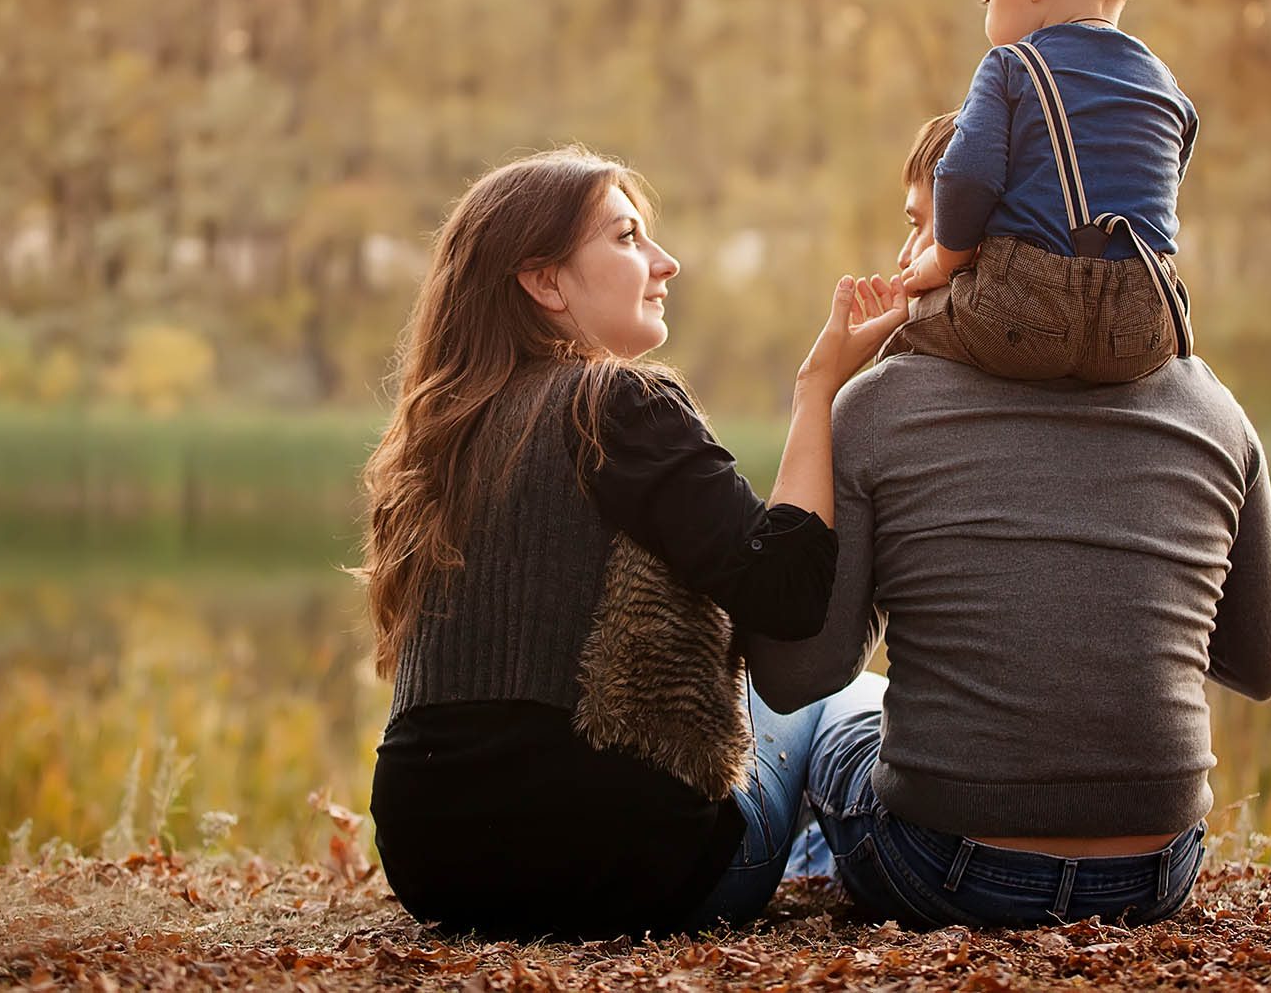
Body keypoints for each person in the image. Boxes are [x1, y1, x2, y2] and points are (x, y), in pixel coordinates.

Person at [742, 114, 1271, 929]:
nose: (904, 258)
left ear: (976, 239)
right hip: (1154, 872)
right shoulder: (1211, 407)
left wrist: (814, 393)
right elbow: (1264, 662)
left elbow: (795, 676)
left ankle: (801, 862)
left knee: (839, 710)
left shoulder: (877, 406)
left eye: (920, 226)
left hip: (946, 866)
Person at [362, 145, 905, 939]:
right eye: (626, 237)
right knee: (848, 699)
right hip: (628, 867)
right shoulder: (614, 401)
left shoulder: (434, 440)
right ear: (544, 280)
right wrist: (817, 388)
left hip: (431, 861)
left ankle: (811, 851)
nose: (666, 261)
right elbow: (787, 596)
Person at [893, 0, 1199, 385]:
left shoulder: (1012, 66)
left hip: (1027, 313)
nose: (989, 21)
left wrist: (944, 264)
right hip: (1143, 326)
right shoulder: (1167, 88)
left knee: (906, 326)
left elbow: (966, 177)